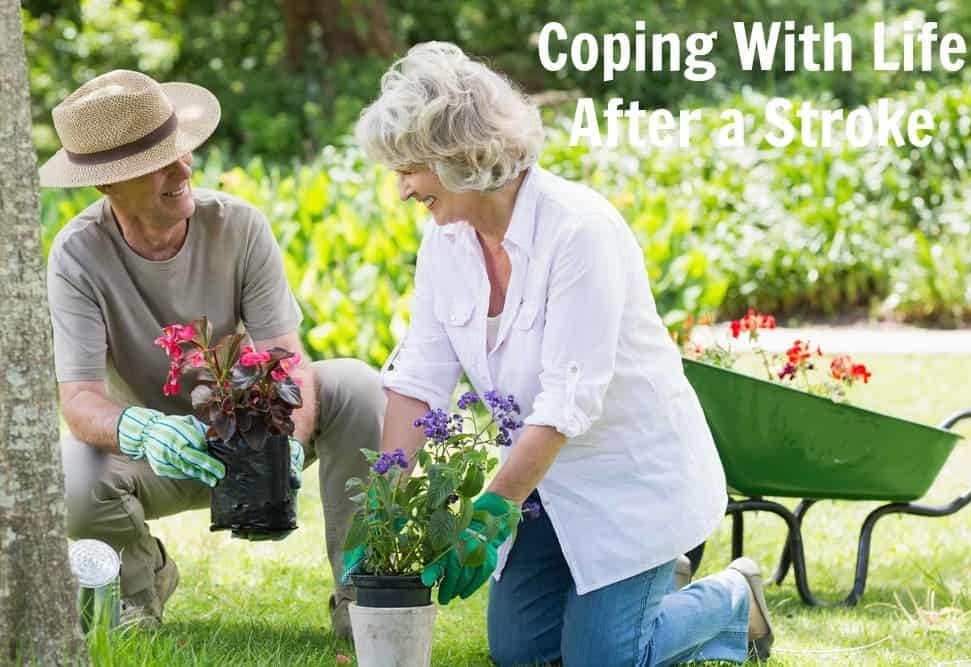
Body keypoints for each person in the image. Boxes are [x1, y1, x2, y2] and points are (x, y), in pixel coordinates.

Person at [353, 43, 776, 665]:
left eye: (408, 170)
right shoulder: (446, 243)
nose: (402, 191)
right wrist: (386, 504)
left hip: (628, 483)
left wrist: (489, 513)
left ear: (458, 157)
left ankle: (733, 598)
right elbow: (419, 377)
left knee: (602, 658)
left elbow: (567, 402)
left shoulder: (580, 230)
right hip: (543, 492)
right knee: (521, 654)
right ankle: (629, 602)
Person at [38, 70, 385, 633]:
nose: (184, 169)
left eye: (180, 150)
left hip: (249, 434)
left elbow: (285, 359)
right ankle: (140, 584)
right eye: (158, 164)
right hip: (156, 455)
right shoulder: (77, 255)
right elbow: (78, 400)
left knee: (359, 386)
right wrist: (143, 430)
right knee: (70, 473)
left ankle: (362, 598)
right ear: (106, 185)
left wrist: (287, 445)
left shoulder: (239, 227)